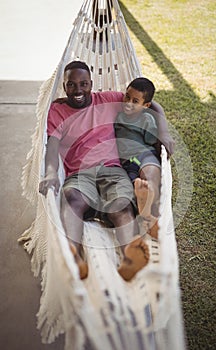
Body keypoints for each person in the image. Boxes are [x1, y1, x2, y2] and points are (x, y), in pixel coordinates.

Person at [39, 60, 174, 281]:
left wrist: (165, 131)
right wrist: (51, 172)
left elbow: (150, 103)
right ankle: (75, 257)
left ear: (91, 84)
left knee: (120, 205)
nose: (78, 90)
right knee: (72, 199)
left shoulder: (108, 100)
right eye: (71, 85)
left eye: (83, 84)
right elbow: (52, 146)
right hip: (78, 173)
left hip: (113, 169)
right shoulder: (57, 110)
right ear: (64, 86)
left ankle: (131, 254)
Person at [115, 77, 161, 239]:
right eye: (127, 97)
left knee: (150, 177)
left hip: (144, 155)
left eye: (135, 101)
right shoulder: (116, 115)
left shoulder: (147, 119)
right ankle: (146, 215)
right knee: (133, 188)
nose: (128, 103)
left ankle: (147, 209)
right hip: (126, 164)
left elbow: (153, 141)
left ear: (146, 106)